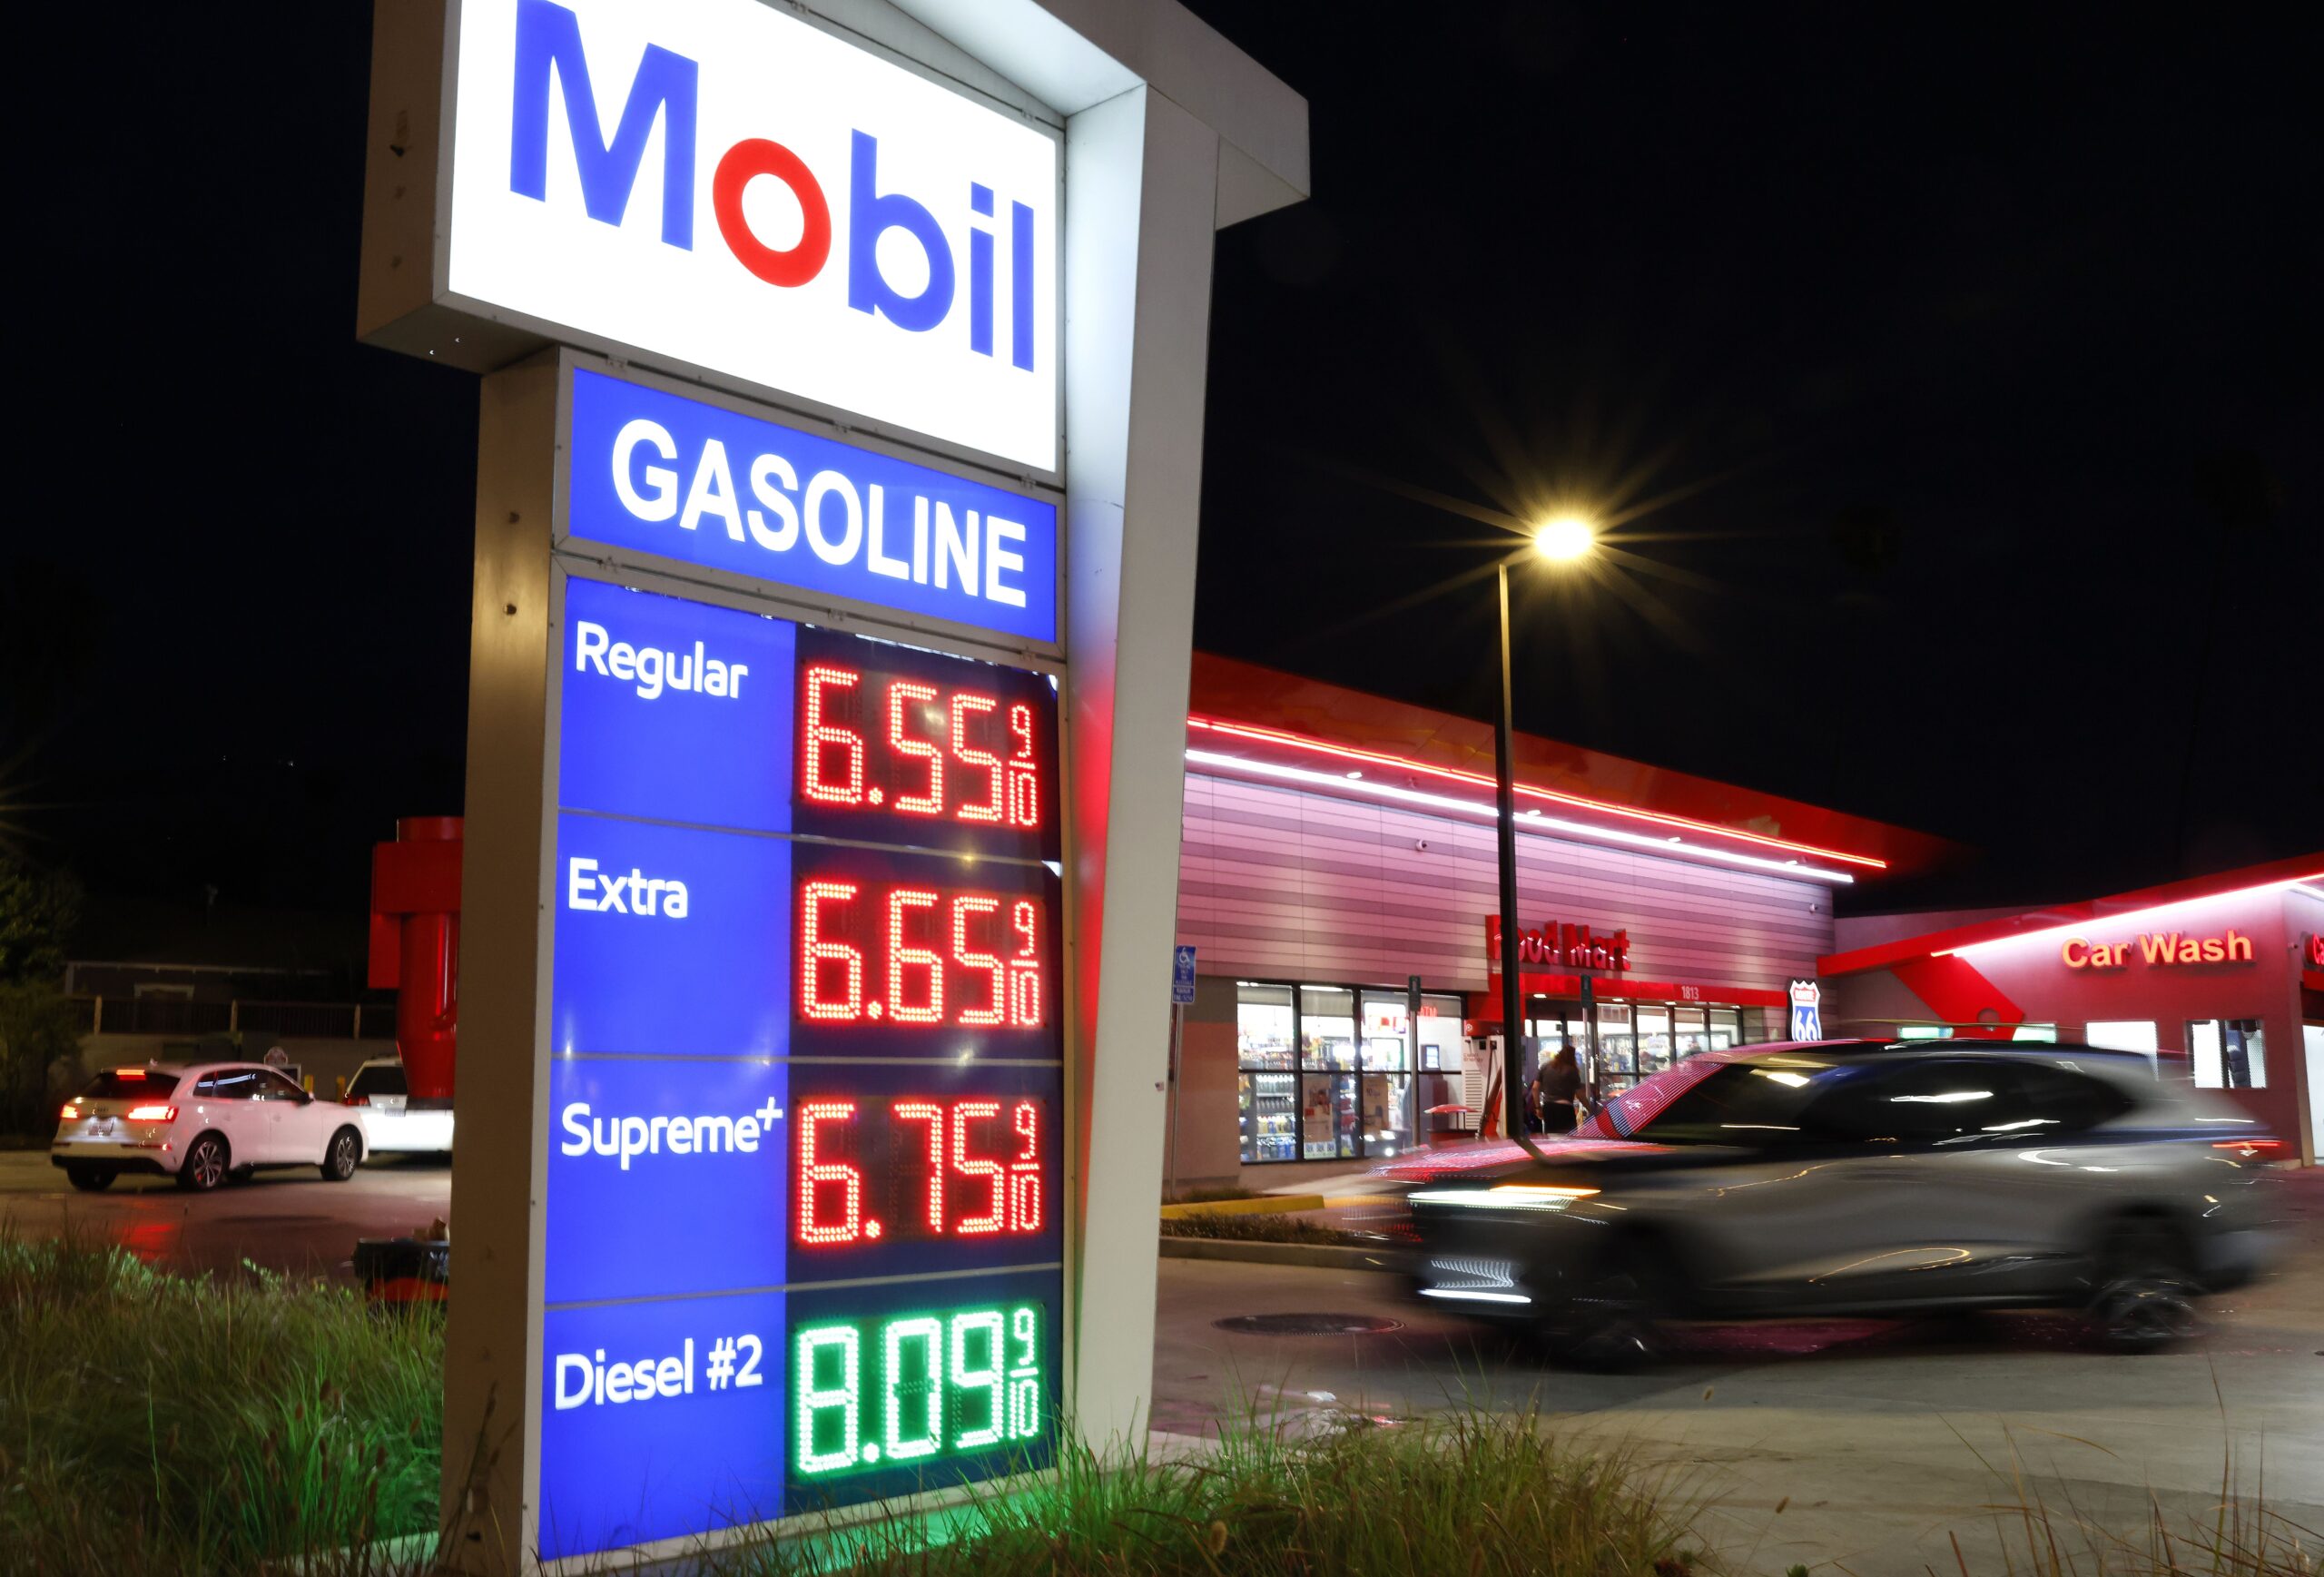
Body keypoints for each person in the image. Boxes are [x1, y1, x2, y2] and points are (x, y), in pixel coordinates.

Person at [1531, 1040, 1582, 1136]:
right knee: (1569, 1139)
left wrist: (1538, 1108)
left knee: (1551, 1139)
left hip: (1548, 1108)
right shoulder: (1572, 1071)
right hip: (1565, 1109)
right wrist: (1591, 1110)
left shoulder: (1545, 1067)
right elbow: (1580, 1095)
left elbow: (1535, 1088)